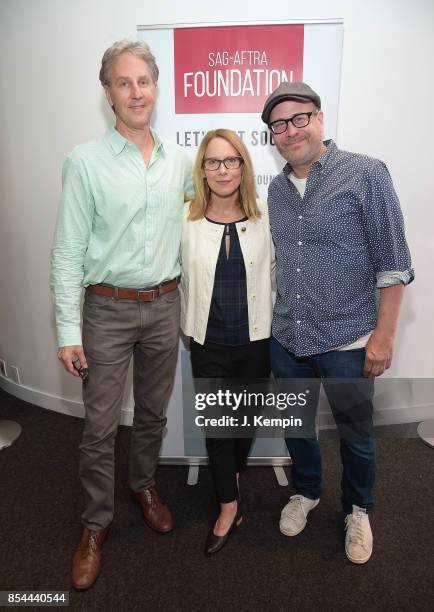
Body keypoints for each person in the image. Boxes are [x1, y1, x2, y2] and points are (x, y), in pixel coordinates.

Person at [50, 39, 193, 589]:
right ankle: (95, 524)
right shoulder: (84, 161)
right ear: (108, 92)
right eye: (124, 82)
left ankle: (144, 485)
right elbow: (67, 249)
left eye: (145, 81)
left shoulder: (180, 160)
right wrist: (68, 330)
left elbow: (196, 229)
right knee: (100, 426)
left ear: (157, 88)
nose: (136, 92)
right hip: (105, 310)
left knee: (153, 414)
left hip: (164, 306)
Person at [261, 81, 414, 564]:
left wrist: (383, 337)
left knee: (356, 435)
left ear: (320, 119)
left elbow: (393, 263)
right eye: (278, 125)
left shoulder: (366, 173)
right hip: (288, 336)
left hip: (349, 340)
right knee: (297, 428)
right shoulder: (278, 190)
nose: (290, 131)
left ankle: (358, 510)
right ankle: (305, 493)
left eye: (299, 118)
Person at [180, 129, 274, 555]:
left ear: (243, 166)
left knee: (244, 424)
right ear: (202, 169)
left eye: (231, 160)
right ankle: (227, 507)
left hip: (256, 341)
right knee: (218, 427)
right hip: (208, 343)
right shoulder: (186, 219)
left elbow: (277, 276)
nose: (223, 170)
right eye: (213, 162)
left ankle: (230, 476)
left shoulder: (265, 217)